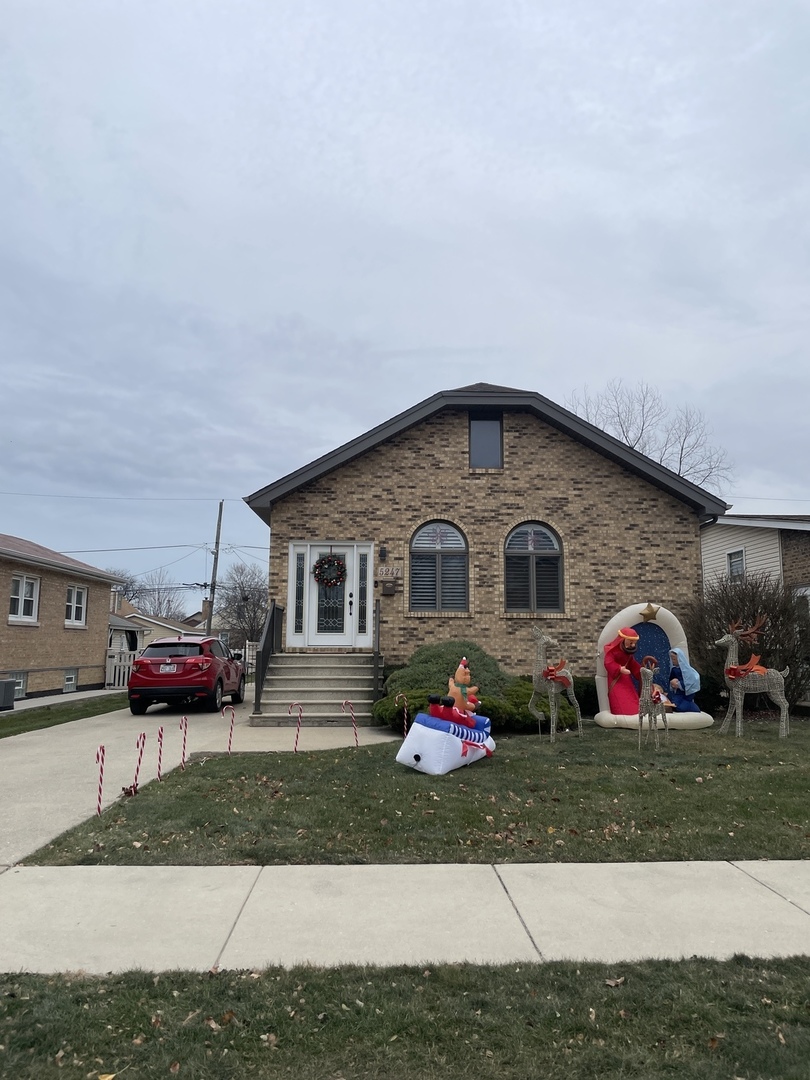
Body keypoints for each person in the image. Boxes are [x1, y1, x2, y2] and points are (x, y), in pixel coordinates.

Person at [603, 627, 642, 714]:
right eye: (630, 642)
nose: (632, 645)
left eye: (634, 643)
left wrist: (641, 672)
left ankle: (634, 712)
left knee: (631, 696)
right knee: (620, 697)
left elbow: (633, 664)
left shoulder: (628, 655)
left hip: (626, 680)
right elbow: (608, 662)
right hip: (616, 679)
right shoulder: (612, 652)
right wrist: (619, 668)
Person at [668, 648, 701, 713]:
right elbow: (671, 679)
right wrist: (672, 683)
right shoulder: (674, 670)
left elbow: (690, 680)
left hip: (687, 693)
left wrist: (679, 684)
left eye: (674, 659)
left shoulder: (686, 670)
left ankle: (691, 706)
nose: (673, 661)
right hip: (678, 692)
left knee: (679, 706)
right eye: (672, 659)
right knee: (674, 705)